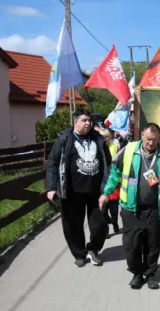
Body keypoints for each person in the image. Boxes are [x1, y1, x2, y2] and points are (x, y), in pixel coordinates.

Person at [100, 123, 160, 289]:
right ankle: (137, 273)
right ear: (142, 135)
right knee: (132, 245)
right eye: (149, 139)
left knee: (152, 245)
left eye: (155, 140)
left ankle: (150, 275)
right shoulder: (128, 150)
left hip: (153, 209)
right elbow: (114, 172)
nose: (151, 143)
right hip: (130, 209)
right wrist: (106, 193)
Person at [46, 109, 112, 267]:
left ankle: (94, 250)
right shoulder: (64, 139)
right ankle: (79, 253)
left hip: (96, 192)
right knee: (72, 226)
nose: (88, 123)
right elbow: (53, 163)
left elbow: (109, 164)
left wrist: (107, 188)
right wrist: (51, 187)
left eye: (89, 120)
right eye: (84, 120)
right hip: (71, 192)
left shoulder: (98, 139)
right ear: (75, 122)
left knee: (100, 225)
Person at [97, 128, 121, 233]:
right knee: (103, 211)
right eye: (102, 137)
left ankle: (115, 222)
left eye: (106, 136)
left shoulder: (115, 148)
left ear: (109, 137)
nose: (104, 139)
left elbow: (120, 163)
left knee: (114, 210)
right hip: (101, 183)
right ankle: (106, 229)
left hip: (113, 183)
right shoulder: (96, 149)